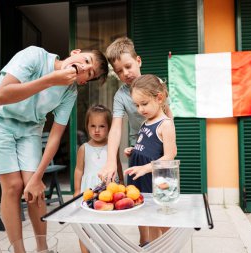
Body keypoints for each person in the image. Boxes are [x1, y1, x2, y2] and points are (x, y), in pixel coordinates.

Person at [0, 46, 108, 253]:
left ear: (82, 81)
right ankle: (19, 251)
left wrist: (37, 176)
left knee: (34, 188)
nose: (84, 68)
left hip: (30, 128)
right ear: (75, 52)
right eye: (86, 60)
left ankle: (43, 249)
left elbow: (55, 135)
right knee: (13, 185)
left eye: (89, 73)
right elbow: (1, 96)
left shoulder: (69, 92)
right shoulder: (34, 56)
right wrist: (53, 79)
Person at [98, 37, 173, 245]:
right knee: (138, 199)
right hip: (137, 152)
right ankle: (144, 242)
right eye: (119, 71)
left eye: (128, 66)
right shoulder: (121, 96)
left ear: (138, 61)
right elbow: (115, 128)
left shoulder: (156, 85)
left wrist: (164, 145)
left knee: (160, 203)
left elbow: (169, 117)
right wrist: (111, 160)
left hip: (158, 151)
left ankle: (165, 244)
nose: (125, 74)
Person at [124, 74, 177, 243]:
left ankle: (172, 246)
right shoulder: (145, 123)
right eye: (137, 105)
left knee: (161, 219)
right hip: (141, 177)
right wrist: (134, 150)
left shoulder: (165, 124)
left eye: (144, 104)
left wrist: (146, 168)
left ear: (159, 98)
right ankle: (155, 247)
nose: (140, 109)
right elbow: (147, 145)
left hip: (155, 179)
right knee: (149, 218)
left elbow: (170, 155)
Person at [73, 104, 123, 253]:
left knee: (106, 225)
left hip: (107, 191)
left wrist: (122, 183)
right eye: (92, 126)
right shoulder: (84, 148)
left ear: (109, 128)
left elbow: (118, 165)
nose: (96, 130)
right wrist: (76, 190)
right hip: (88, 192)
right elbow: (78, 170)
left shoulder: (112, 147)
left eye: (102, 126)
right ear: (87, 126)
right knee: (85, 225)